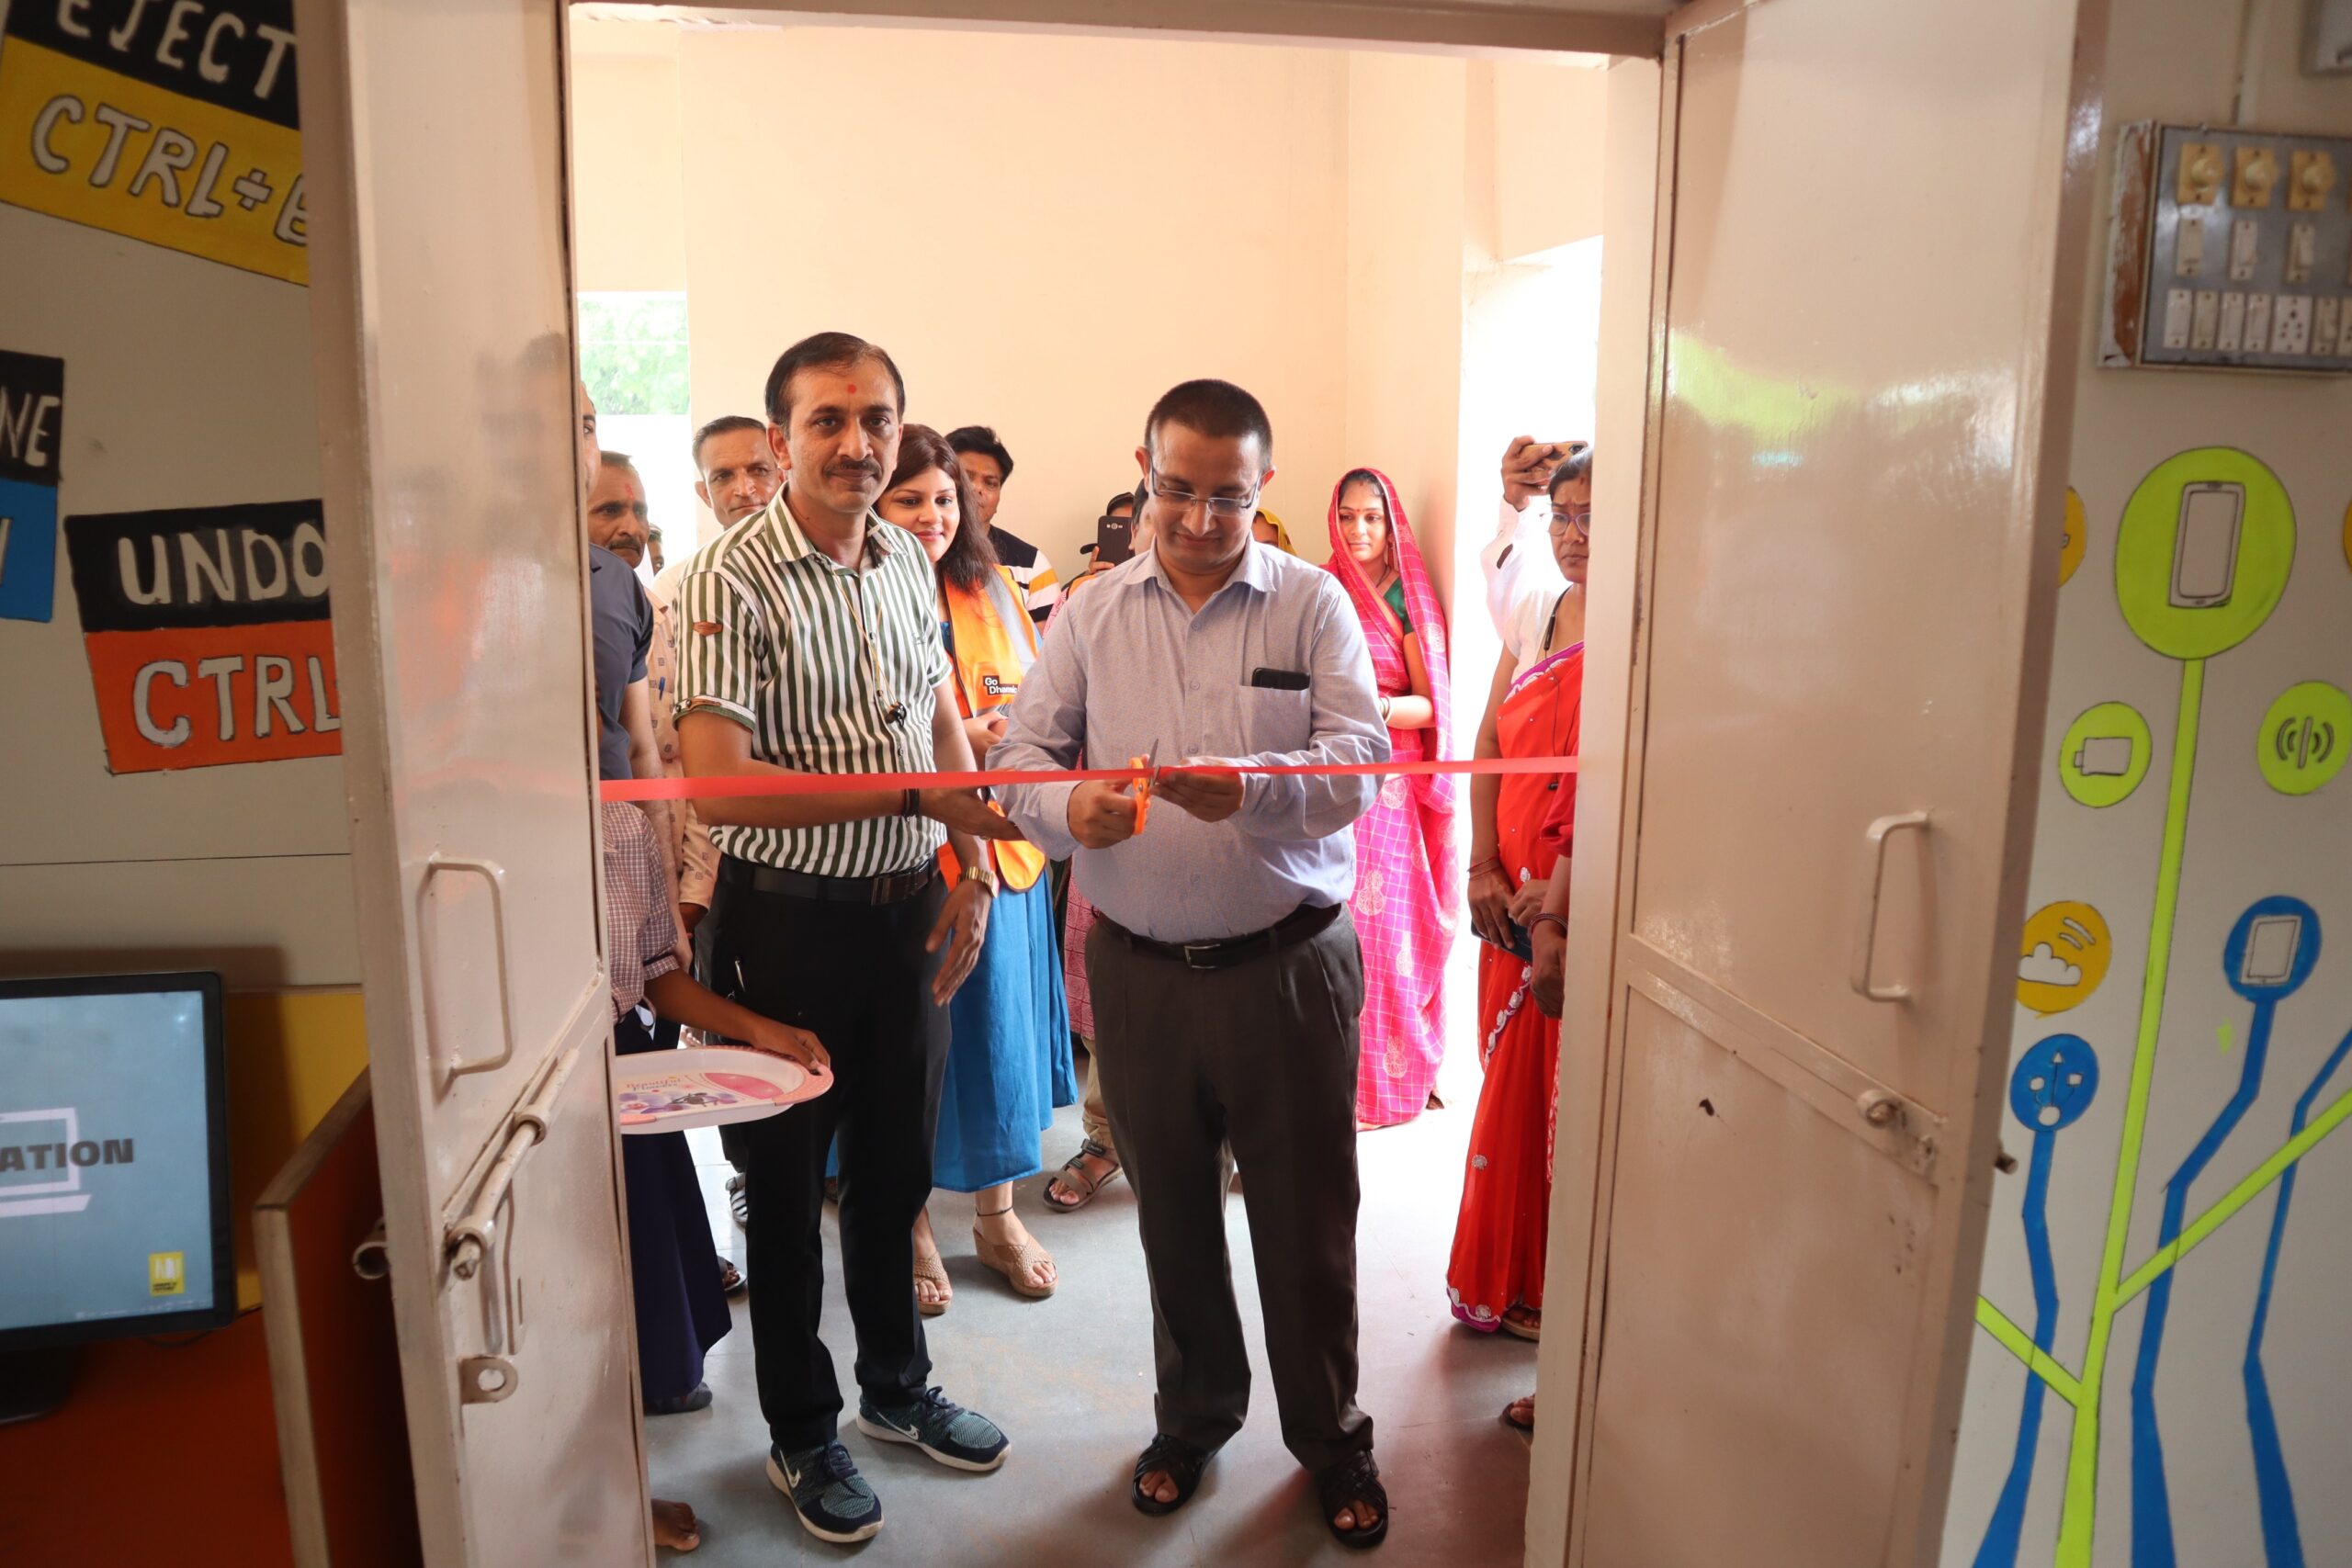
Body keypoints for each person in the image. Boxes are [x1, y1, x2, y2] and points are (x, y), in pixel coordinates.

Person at [994, 379, 1393, 1548]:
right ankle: (1194, 1419)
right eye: (1178, 490)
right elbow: (1021, 757)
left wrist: (1258, 791)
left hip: (1289, 969)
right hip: (1142, 976)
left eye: (1230, 497)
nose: (1202, 519)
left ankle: (1332, 1437)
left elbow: (1363, 763)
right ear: (1143, 472)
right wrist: (1066, 807)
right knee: (1170, 1216)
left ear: (1262, 487)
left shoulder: (1312, 604)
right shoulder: (1090, 615)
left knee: (1306, 1226)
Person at [673, 332, 1019, 1545]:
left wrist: (970, 865)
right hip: (785, 929)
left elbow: (938, 716)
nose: (856, 443)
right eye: (827, 419)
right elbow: (718, 784)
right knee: (783, 1194)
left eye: (876, 419)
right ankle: (801, 1429)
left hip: (908, 916)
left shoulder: (905, 559)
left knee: (893, 1172)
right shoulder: (728, 579)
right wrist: (912, 797)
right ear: (781, 441)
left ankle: (895, 1388)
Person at [865, 424, 1072, 1308]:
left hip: (1005, 848)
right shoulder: (858, 588)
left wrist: (1010, 741)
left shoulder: (992, 587)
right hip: (910, 856)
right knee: (916, 1052)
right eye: (909, 499)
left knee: (999, 1047)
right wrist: (969, 743)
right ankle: (913, 1225)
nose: (932, 515)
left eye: (945, 498)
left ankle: (996, 1216)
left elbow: (1040, 697)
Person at [1447, 445, 1591, 1350]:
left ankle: (1553, 1289)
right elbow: (1492, 742)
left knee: (1561, 1103)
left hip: (1572, 912)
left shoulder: (1647, 630)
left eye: (1595, 516)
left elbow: (1603, 785)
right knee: (1508, 1086)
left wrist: (1562, 905)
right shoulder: (1540, 611)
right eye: (1564, 515)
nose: (1575, 535)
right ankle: (1510, 1276)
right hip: (1508, 900)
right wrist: (1478, 864)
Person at [657, 412, 786, 1228]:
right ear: (702, 493)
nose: (743, 488)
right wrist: (694, 886)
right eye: (723, 477)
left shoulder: (829, 579)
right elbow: (675, 761)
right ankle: (747, 1167)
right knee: (738, 1025)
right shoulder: (675, 593)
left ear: (784, 467)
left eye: (756, 470)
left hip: (819, 852)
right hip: (722, 856)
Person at [1328, 468, 1455, 1129]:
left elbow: (1430, 703)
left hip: (1392, 782)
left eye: (1372, 517)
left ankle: (1382, 1087)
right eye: (1348, 516)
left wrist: (1374, 707)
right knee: (1333, 930)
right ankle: (1332, 1086)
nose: (1359, 530)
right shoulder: (1322, 587)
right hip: (1330, 773)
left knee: (1384, 935)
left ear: (1391, 523)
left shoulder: (1407, 599)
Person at [1039, 486, 1151, 1215]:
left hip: (1226, 869)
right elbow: (1036, 739)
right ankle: (1105, 1139)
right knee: (1116, 1003)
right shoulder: (1086, 605)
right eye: (1157, 514)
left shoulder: (1280, 605)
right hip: (1111, 844)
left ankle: (1226, 1145)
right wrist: (1071, 806)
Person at [946, 424, 1057, 627]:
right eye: (966, 477)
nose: (977, 488)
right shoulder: (919, 550)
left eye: (990, 483)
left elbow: (1047, 645)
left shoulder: (1032, 565)